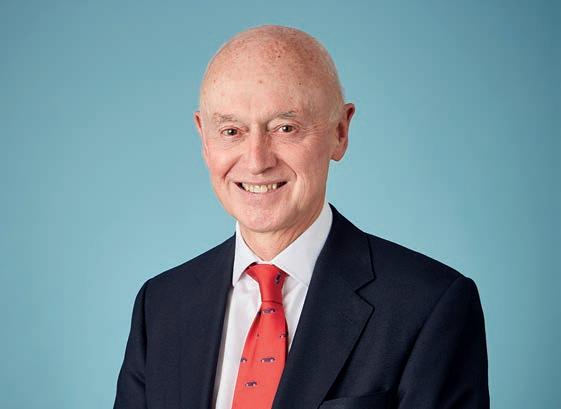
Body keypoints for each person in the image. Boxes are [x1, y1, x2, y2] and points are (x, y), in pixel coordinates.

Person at [113, 25, 489, 409]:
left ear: (340, 132)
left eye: (285, 128)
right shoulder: (160, 306)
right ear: (204, 139)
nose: (257, 161)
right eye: (231, 131)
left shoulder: (429, 305)